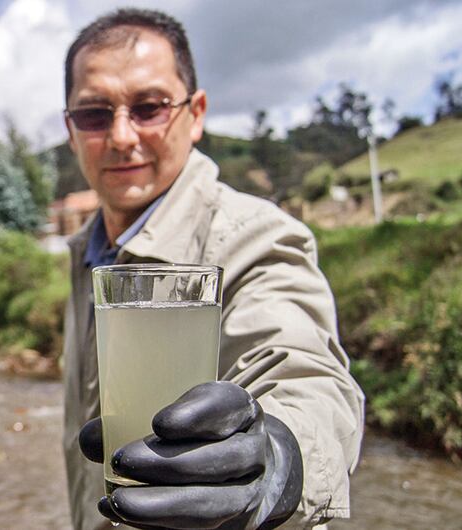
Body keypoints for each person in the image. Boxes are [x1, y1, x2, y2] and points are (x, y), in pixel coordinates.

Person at [59, 8, 364, 530]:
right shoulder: (84, 252)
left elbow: (305, 373)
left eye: (149, 107)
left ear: (195, 113)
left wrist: (279, 458)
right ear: (70, 129)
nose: (121, 136)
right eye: (94, 114)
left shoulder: (254, 235)